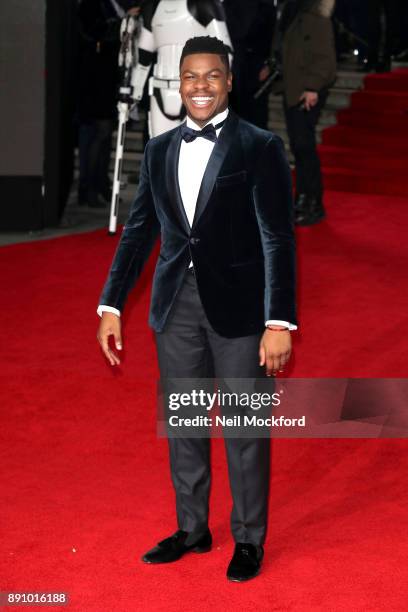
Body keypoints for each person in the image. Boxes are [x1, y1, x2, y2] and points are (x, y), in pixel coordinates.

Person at [96, 36, 297, 582]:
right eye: (190, 76)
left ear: (229, 81)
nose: (200, 86)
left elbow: (278, 238)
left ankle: (250, 538)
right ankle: (193, 528)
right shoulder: (160, 148)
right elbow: (138, 233)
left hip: (239, 310)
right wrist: (111, 302)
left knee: (243, 427)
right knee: (184, 422)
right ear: (176, 82)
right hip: (175, 308)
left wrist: (279, 321)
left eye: (212, 76)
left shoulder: (259, 146)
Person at [278, 0, 336, 226]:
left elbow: (326, 60)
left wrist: (312, 87)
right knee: (299, 146)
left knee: (303, 145)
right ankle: (303, 199)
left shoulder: (315, 18)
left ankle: (311, 201)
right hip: (294, 90)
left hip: (307, 92)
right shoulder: (291, 13)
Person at [224, 0, 276, 129]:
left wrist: (268, 64)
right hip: (234, 64)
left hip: (254, 66)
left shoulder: (264, 6)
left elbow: (272, 34)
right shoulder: (227, 5)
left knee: (254, 116)